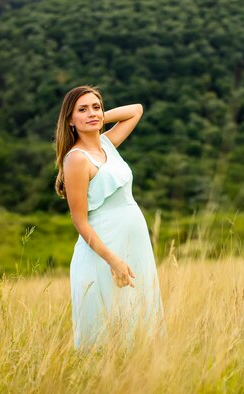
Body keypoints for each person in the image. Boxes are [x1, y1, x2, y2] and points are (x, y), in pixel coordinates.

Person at [54, 85, 164, 349]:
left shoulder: (107, 144)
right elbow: (79, 221)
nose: (92, 113)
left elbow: (136, 110)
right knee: (106, 330)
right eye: (82, 110)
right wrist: (114, 260)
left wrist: (100, 119)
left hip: (135, 245)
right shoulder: (76, 159)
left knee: (137, 320)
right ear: (70, 119)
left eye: (96, 107)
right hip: (104, 251)